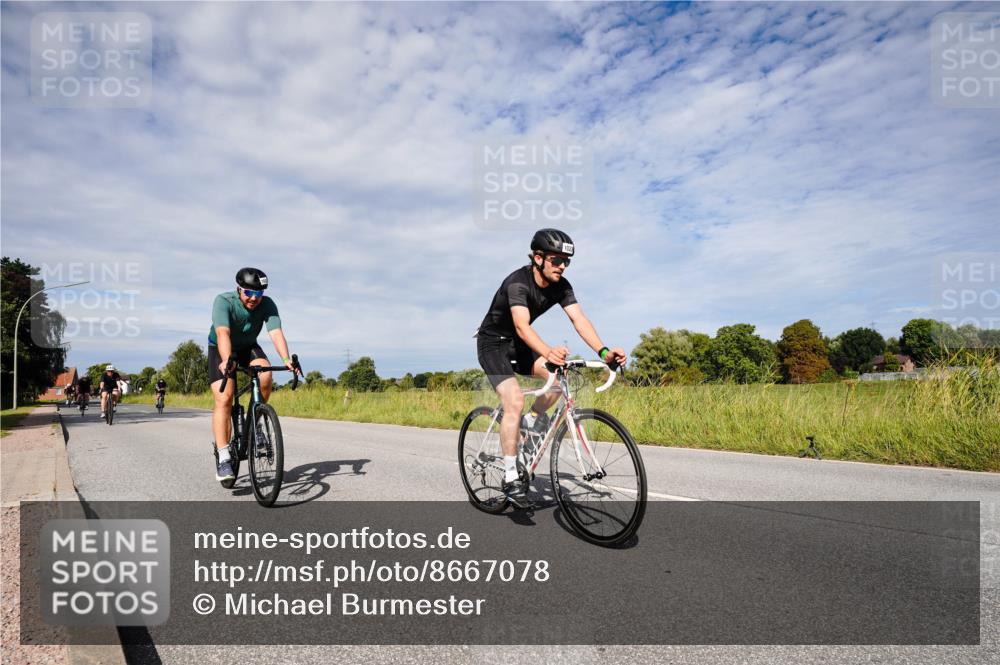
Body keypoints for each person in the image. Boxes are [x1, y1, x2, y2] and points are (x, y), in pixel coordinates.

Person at [476, 229, 627, 508]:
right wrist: (547, 351)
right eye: (557, 260)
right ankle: (510, 475)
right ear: (538, 257)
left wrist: (604, 351)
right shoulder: (517, 284)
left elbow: (578, 319)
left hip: (519, 345)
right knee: (514, 400)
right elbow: (521, 326)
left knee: (557, 384)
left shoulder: (562, 285)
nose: (562, 266)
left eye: (566, 262)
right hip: (493, 344)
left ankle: (532, 422)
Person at [208, 267, 299, 482]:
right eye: (248, 293)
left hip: (248, 346)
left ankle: (255, 423)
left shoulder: (267, 305)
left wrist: (287, 360)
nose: (253, 299)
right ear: (238, 289)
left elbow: (276, 332)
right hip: (221, 347)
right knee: (225, 397)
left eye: (258, 294)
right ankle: (223, 457)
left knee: (265, 375)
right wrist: (227, 360)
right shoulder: (223, 301)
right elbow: (223, 333)